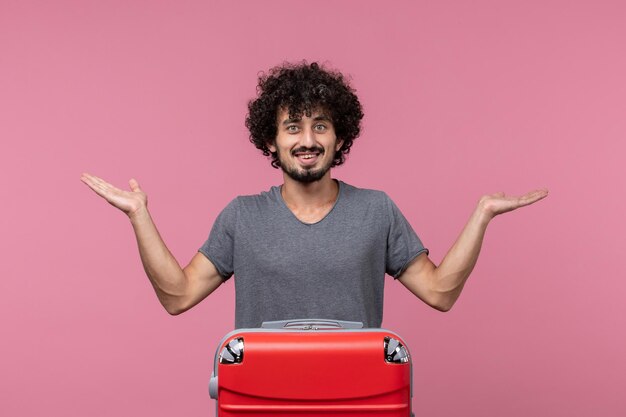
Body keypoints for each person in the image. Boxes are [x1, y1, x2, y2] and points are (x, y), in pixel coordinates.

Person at [81, 61, 547, 328]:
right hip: (263, 399)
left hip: (358, 399)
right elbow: (177, 296)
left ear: (340, 138)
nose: (307, 140)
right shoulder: (241, 217)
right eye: (292, 127)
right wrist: (139, 216)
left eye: (320, 126)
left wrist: (482, 214)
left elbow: (440, 293)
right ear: (271, 141)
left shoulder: (376, 210)